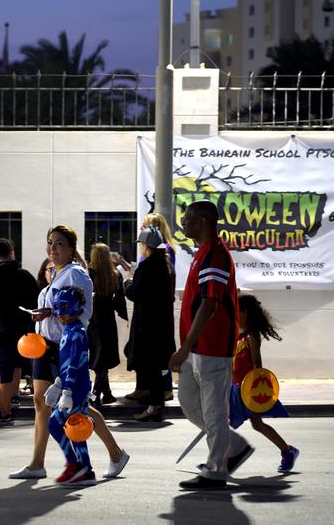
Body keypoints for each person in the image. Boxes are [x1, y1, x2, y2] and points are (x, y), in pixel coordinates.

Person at [9, 225, 129, 480]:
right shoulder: (57, 274)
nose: (53, 248)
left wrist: (52, 314)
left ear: (72, 248)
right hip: (45, 346)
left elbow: (79, 312)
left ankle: (103, 457)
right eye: (51, 243)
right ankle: (38, 463)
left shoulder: (75, 274)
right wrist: (44, 314)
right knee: (42, 403)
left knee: (74, 406)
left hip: (63, 347)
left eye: (60, 243)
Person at [169, 200, 251, 490]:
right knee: (190, 404)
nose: (183, 222)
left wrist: (184, 346)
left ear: (202, 222)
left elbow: (210, 305)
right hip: (196, 348)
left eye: (188, 218)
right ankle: (234, 445)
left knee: (214, 410)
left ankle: (216, 470)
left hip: (212, 346)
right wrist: (187, 348)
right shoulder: (202, 253)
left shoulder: (215, 255)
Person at [234, 294, 299, 472]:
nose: (234, 313)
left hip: (248, 389)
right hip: (235, 388)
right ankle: (217, 461)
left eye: (236, 310)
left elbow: (257, 363)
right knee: (226, 423)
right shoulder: (237, 334)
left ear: (245, 312)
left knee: (255, 424)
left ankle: (288, 451)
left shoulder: (251, 335)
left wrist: (254, 388)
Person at [0, 239, 37, 425]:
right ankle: (14, 397)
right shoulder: (25, 275)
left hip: (1, 331)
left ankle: (5, 413)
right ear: (12, 252)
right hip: (23, 331)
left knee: (3, 373)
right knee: (18, 366)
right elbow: (36, 301)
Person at [44, 286, 96, 486]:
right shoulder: (69, 330)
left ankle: (76, 465)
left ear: (76, 308)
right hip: (71, 388)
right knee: (74, 429)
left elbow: (76, 363)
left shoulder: (78, 333)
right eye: (57, 308)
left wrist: (66, 391)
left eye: (64, 307)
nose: (60, 313)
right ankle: (84, 468)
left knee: (59, 425)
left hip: (76, 390)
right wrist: (58, 383)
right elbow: (66, 363)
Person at [124, 227, 176, 422]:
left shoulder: (146, 268)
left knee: (152, 368)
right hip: (161, 325)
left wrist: (127, 284)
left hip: (147, 327)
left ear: (146, 246)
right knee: (156, 368)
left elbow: (136, 294)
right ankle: (155, 405)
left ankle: (153, 407)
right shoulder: (165, 266)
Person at [87, 243, 127, 406]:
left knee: (99, 358)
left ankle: (96, 393)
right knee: (103, 358)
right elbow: (119, 300)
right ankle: (107, 393)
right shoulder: (115, 274)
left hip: (94, 320)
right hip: (108, 320)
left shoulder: (89, 274)